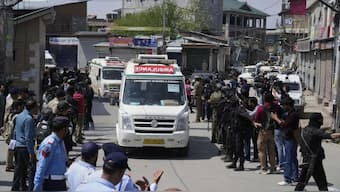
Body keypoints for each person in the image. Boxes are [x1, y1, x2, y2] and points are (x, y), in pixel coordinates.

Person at [88, 143, 162, 191]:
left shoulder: (90, 176)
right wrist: (153, 185)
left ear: (104, 159)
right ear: (121, 172)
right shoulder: (125, 180)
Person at [294, 113, 340, 191]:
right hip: (315, 161)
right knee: (322, 182)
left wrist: (326, 129)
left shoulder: (305, 129)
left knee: (302, 181)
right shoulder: (315, 131)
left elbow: (318, 132)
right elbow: (331, 136)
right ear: (318, 121)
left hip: (306, 159)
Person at [34, 116, 70, 191]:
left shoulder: (61, 142)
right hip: (51, 183)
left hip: (60, 182)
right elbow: (42, 165)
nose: (68, 131)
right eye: (67, 128)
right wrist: (37, 184)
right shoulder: (49, 144)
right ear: (63, 129)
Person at [271, 97, 299, 185]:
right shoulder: (289, 113)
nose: (283, 107)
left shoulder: (293, 114)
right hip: (289, 137)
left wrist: (276, 118)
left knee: (289, 159)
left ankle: (287, 178)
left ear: (288, 105)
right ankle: (295, 176)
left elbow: (285, 124)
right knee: (293, 158)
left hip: (291, 138)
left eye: (283, 105)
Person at [12, 99, 39, 191]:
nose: (38, 109)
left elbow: (15, 131)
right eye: (37, 107)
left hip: (18, 146)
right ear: (33, 108)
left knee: (19, 169)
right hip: (25, 147)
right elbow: (28, 137)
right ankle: (30, 188)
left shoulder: (19, 116)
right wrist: (31, 153)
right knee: (31, 169)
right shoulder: (29, 119)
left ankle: (17, 187)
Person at [254, 93, 278, 174]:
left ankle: (263, 167)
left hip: (263, 131)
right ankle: (273, 167)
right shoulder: (276, 107)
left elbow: (257, 119)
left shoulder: (261, 108)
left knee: (262, 150)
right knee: (272, 150)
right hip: (274, 131)